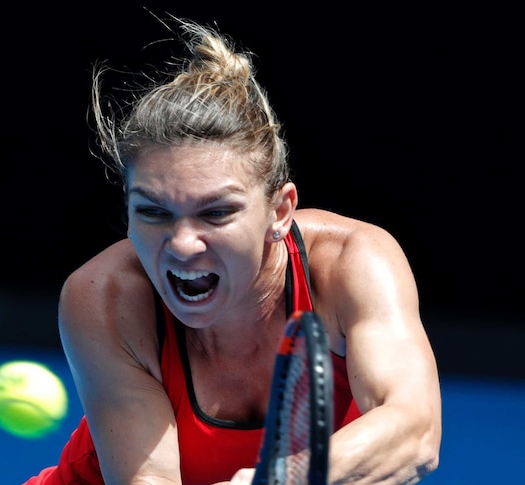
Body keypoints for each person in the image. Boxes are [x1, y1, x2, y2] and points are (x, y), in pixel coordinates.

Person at [25, 16, 441, 485]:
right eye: (154, 212)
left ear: (280, 211)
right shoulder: (102, 296)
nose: (182, 245)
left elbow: (416, 431)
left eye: (216, 213)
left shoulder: (352, 263)